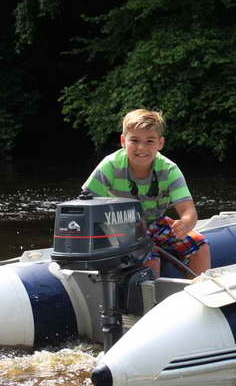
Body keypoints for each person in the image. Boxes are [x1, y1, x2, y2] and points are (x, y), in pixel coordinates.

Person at [82, 109, 211, 278]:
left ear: (160, 143)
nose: (141, 148)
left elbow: (188, 210)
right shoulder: (110, 165)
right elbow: (85, 201)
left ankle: (197, 290)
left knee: (200, 246)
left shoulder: (169, 169)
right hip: (120, 228)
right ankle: (147, 294)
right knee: (150, 259)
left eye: (149, 141)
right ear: (123, 141)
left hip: (155, 223)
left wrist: (186, 223)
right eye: (134, 140)